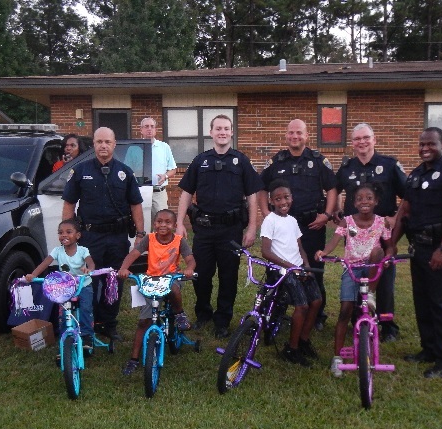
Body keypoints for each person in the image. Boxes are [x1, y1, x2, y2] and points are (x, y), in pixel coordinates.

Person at [389, 127, 442, 378]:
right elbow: (404, 212)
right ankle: (428, 349)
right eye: (422, 144)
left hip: (441, 248)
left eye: (431, 144)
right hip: (419, 248)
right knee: (422, 302)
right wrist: (392, 244)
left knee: (441, 303)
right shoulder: (415, 175)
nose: (425, 148)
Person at [176, 114, 263, 339]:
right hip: (203, 230)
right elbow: (186, 192)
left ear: (232, 132)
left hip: (231, 230)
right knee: (200, 274)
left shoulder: (241, 161)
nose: (222, 132)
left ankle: (222, 320)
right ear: (211, 132)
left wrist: (252, 227)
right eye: (218, 129)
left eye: (226, 128)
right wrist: (179, 223)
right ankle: (203, 313)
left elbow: (252, 196)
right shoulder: (200, 160)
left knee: (228, 276)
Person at [62, 127, 145, 342]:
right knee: (88, 282)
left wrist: (140, 234)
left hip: (117, 237)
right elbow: (69, 203)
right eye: (99, 142)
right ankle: (90, 322)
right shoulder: (80, 171)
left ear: (114, 144)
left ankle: (109, 323)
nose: (103, 146)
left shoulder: (124, 172)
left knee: (114, 281)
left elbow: (136, 205)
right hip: (90, 237)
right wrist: (68, 235)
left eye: (107, 141)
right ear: (94, 145)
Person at [259, 119, 337, 331]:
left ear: (306, 135)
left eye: (299, 133)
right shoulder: (276, 161)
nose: (295, 136)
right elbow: (261, 188)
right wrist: (267, 214)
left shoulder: (318, 160)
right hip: (283, 228)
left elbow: (332, 189)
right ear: (286, 136)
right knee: (279, 271)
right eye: (291, 133)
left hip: (312, 226)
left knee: (313, 269)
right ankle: (277, 312)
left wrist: (327, 215)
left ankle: (317, 315)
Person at [335, 123, 406, 342]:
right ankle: (360, 317)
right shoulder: (347, 168)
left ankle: (386, 324)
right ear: (352, 143)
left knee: (383, 277)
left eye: (366, 137)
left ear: (374, 139)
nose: (362, 142)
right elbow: (334, 189)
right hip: (355, 233)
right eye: (357, 139)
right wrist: (337, 209)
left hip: (381, 234)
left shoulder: (389, 165)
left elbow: (407, 195)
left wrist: (396, 217)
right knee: (356, 275)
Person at [315, 183, 391, 377]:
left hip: (372, 266)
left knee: (378, 251)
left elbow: (389, 247)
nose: (364, 201)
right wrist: (324, 251)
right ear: (353, 203)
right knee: (345, 311)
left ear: (376, 201)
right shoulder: (346, 221)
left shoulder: (382, 222)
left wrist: (388, 257)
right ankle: (337, 357)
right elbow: (334, 241)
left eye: (368, 198)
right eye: (359, 199)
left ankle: (371, 294)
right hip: (352, 268)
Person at [118, 209, 196, 376]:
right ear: (154, 224)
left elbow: (190, 259)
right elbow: (134, 254)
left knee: (174, 287)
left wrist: (189, 268)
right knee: (144, 322)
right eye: (159, 221)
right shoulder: (149, 239)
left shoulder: (179, 241)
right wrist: (124, 267)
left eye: (167, 222)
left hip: (171, 277)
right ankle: (133, 359)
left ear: (175, 225)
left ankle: (179, 314)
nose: (163, 225)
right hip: (151, 280)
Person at [260, 179, 322, 367]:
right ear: (271, 202)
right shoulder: (269, 220)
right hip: (282, 271)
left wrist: (306, 266)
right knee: (301, 306)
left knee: (317, 301)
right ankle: (291, 349)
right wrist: (289, 267)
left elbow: (300, 247)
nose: (282, 202)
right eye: (278, 199)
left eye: (286, 197)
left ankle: (303, 340)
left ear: (291, 198)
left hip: (298, 268)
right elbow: (266, 251)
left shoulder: (293, 221)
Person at [25, 219, 95, 350]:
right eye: (60, 232)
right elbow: (45, 263)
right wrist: (33, 275)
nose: (64, 235)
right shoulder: (57, 251)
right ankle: (65, 338)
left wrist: (88, 270)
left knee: (85, 309)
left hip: (83, 285)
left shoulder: (83, 250)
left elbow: (90, 263)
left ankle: (87, 336)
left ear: (78, 235)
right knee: (64, 313)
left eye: (69, 232)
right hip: (66, 288)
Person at [139, 117, 177, 227]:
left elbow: (173, 169)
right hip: (141, 192)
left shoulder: (164, 147)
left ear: (156, 130)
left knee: (162, 225)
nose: (149, 129)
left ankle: (161, 245)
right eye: (146, 126)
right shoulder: (134, 148)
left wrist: (165, 176)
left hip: (159, 193)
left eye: (152, 126)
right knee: (142, 226)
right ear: (141, 130)